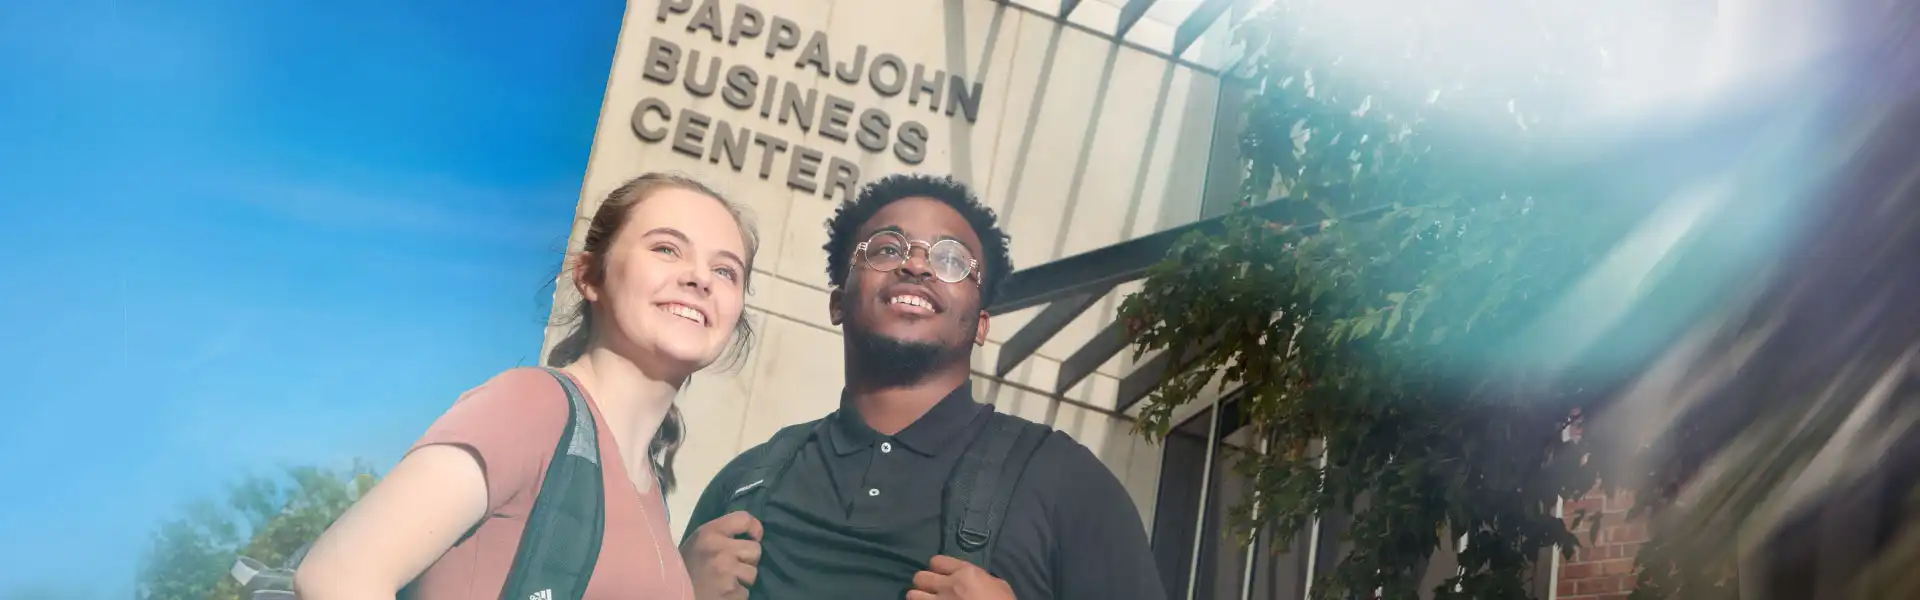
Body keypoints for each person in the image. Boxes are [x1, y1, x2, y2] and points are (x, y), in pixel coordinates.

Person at [678, 173, 1165, 600]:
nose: (916, 265)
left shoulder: (1067, 483)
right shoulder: (745, 484)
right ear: (837, 303)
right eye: (887, 249)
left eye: (952, 259)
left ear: (980, 324)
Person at [294, 173, 759, 600]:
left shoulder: (648, 491)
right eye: (666, 249)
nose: (699, 278)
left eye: (725, 271)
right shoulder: (533, 408)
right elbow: (339, 573)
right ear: (589, 275)